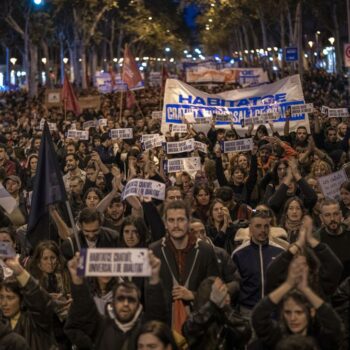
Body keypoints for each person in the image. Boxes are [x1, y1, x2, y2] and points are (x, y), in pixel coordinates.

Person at [64, 251, 168, 350]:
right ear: (112, 303)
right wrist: (78, 281)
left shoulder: (144, 329)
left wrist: (154, 278)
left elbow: (157, 314)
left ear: (138, 305)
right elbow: (85, 310)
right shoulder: (101, 327)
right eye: (120, 299)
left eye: (131, 300)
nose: (126, 304)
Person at [150, 200, 219, 331]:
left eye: (181, 220)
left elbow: (215, 290)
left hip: (199, 326)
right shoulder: (154, 250)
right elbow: (148, 294)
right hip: (164, 326)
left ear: (189, 222)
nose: (176, 225)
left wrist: (193, 295)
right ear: (165, 224)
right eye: (171, 220)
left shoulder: (206, 250)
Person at [251, 255, 343, 350]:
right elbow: (258, 317)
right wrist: (288, 284)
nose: (293, 318)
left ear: (311, 312)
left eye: (299, 312)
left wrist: (306, 290)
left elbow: (335, 326)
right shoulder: (277, 337)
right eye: (287, 312)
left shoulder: (320, 339)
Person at [266, 216, 343, 299]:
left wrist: (310, 239)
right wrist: (298, 244)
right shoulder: (283, 285)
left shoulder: (320, 283)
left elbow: (336, 267)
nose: (299, 267)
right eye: (294, 262)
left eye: (303, 263)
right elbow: (271, 272)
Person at [232, 211, 285, 317]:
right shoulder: (238, 254)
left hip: (274, 311)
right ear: (250, 229)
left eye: (266, 226)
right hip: (248, 311)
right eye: (258, 226)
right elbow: (235, 286)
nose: (263, 230)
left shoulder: (280, 252)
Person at [0, 256, 58, 349]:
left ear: (22, 300)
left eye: (10, 298)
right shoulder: (2, 323)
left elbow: (42, 302)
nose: (3, 303)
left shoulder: (37, 320)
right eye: (1, 297)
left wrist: (20, 272)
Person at [183, 277, 251, 350]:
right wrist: (212, 305)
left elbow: (245, 333)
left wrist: (225, 310)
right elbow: (189, 329)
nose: (227, 297)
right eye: (221, 293)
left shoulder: (227, 316)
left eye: (226, 292)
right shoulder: (197, 319)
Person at [317, 199, 350, 281]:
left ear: (341, 214)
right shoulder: (316, 241)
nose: (332, 219)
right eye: (327, 215)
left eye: (335, 214)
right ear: (321, 218)